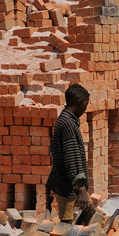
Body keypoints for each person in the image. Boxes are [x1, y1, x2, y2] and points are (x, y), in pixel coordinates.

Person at [46, 84, 91, 222]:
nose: (86, 108)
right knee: (66, 226)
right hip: (68, 187)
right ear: (80, 102)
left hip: (70, 185)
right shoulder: (67, 124)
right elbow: (72, 157)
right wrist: (81, 190)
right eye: (86, 104)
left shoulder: (65, 120)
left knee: (91, 215)